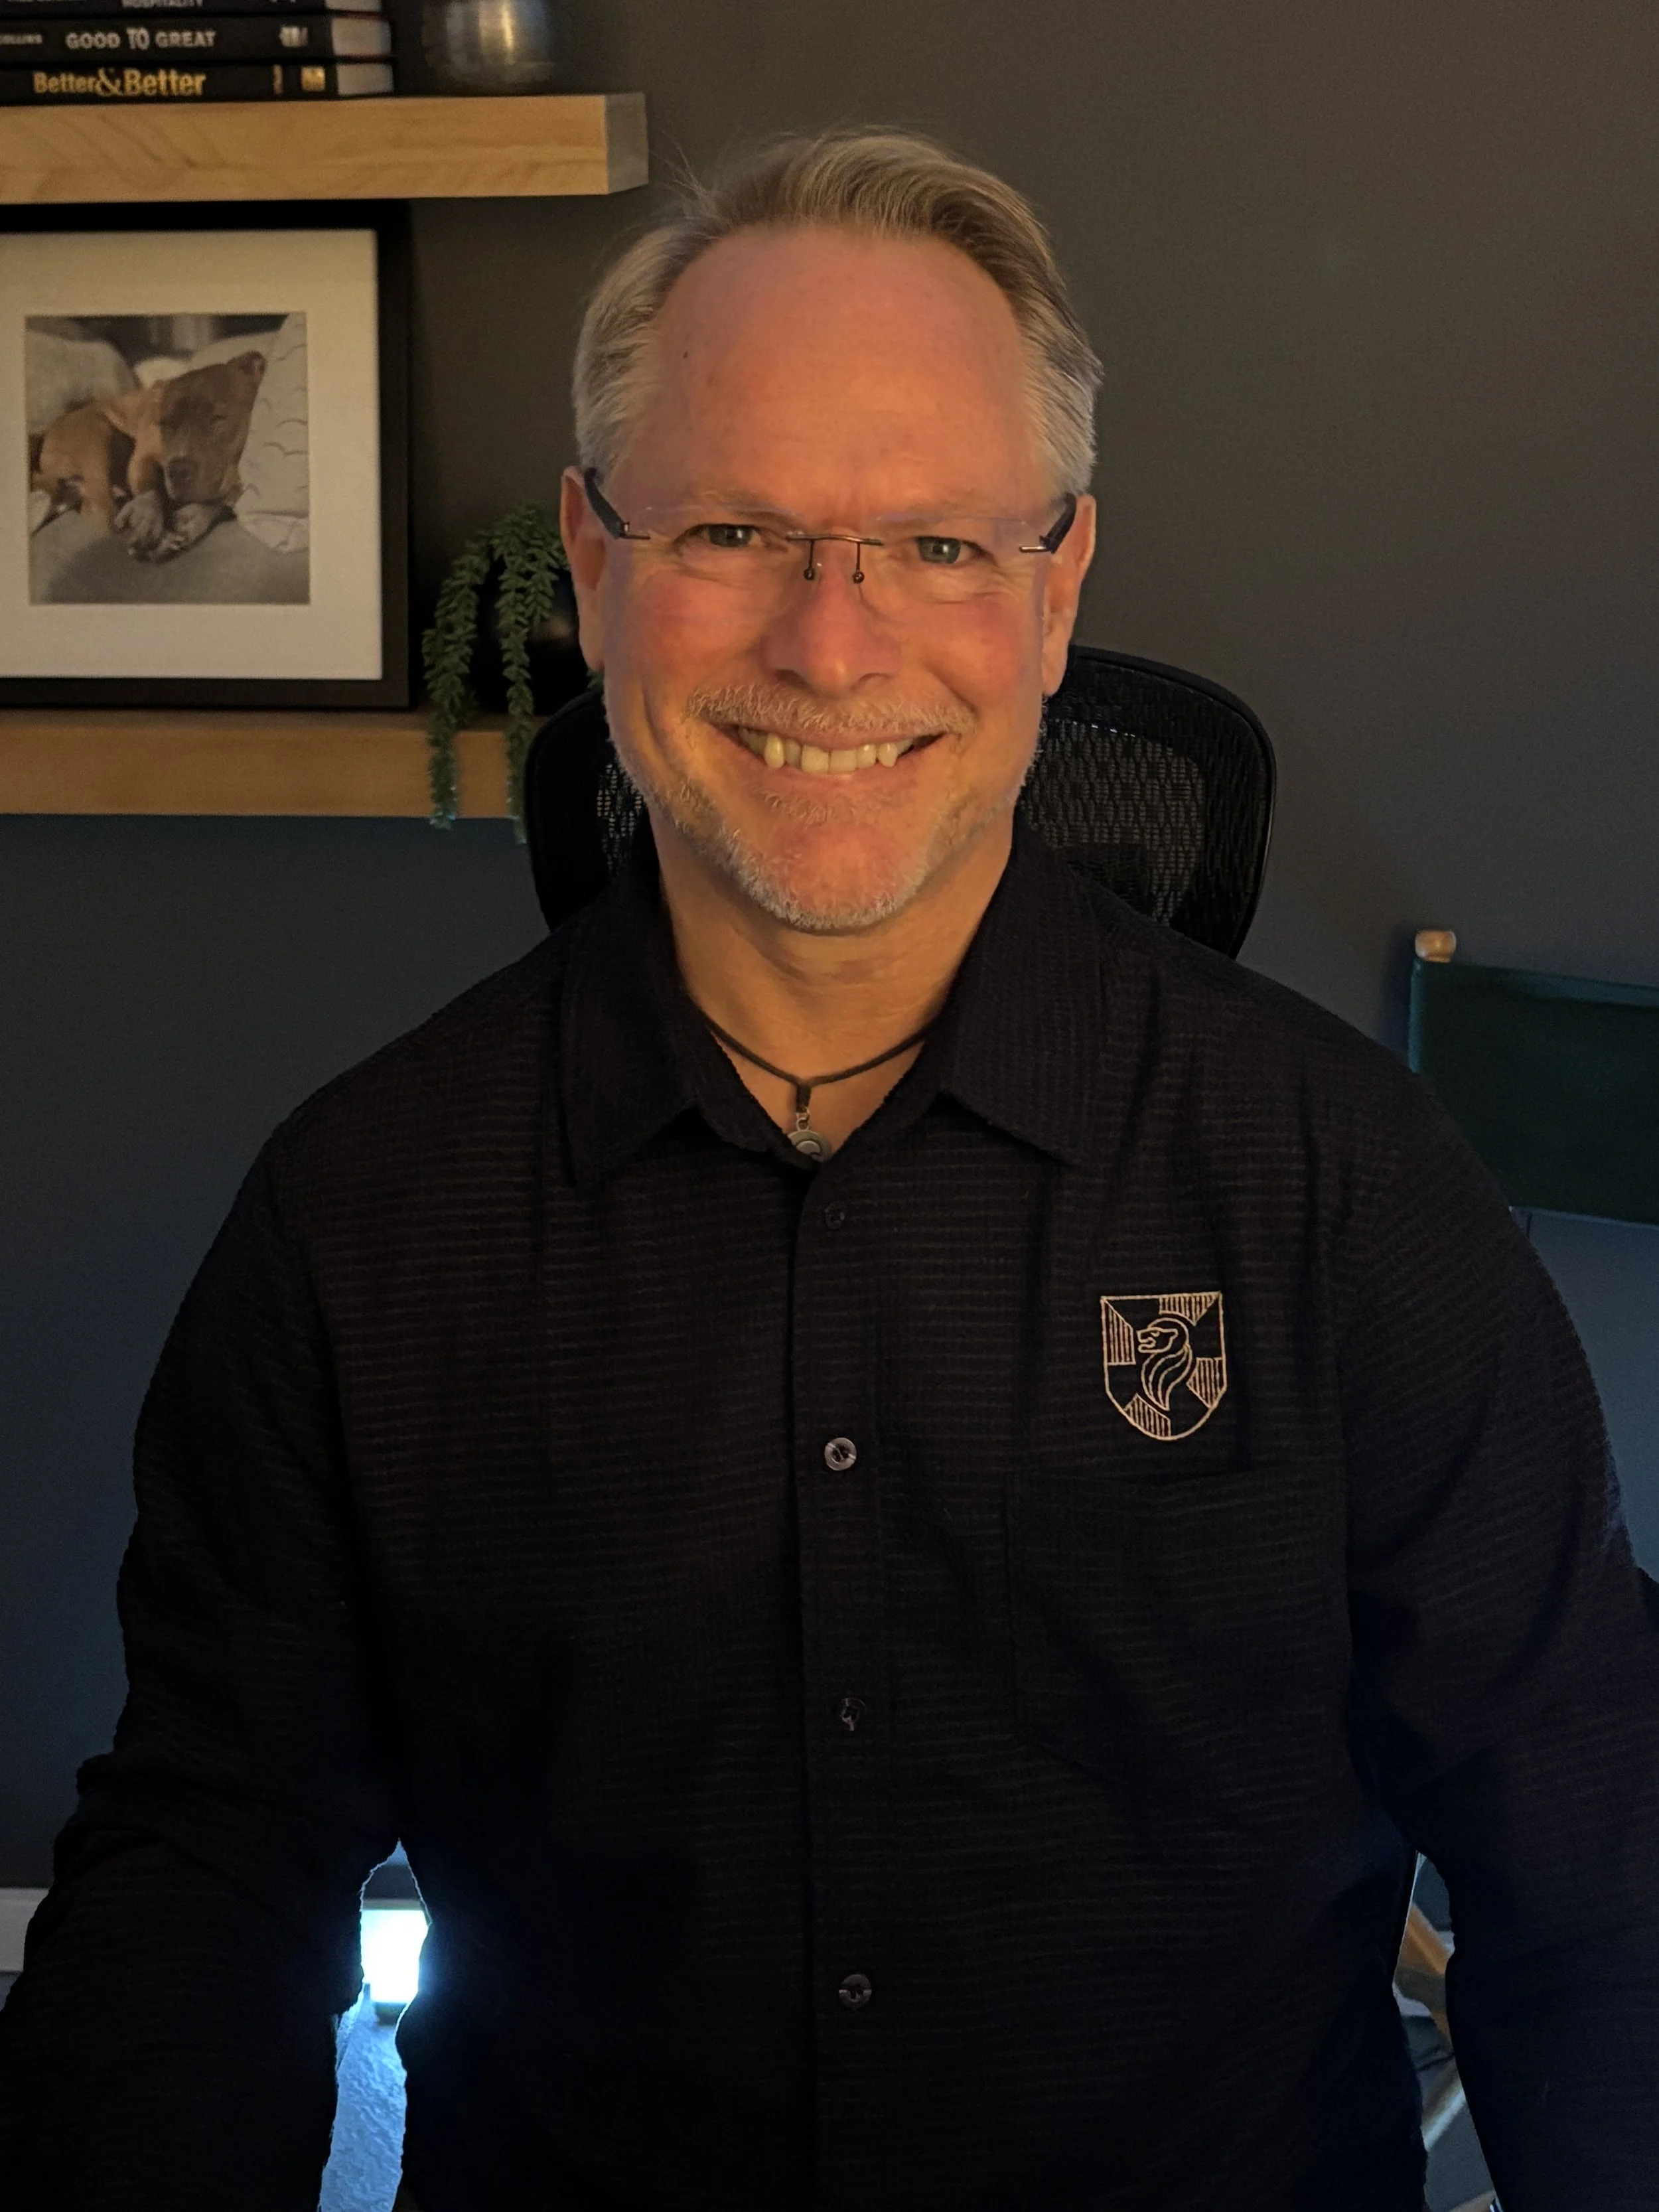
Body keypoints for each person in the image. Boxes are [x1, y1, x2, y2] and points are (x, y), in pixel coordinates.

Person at [1, 128, 1656, 2212]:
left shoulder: (1339, 1191)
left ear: (1054, 592)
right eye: (732, 526)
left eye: (937, 546)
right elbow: (205, 1878)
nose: (829, 639)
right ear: (595, 568)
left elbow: (1594, 1868)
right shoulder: (364, 1221)